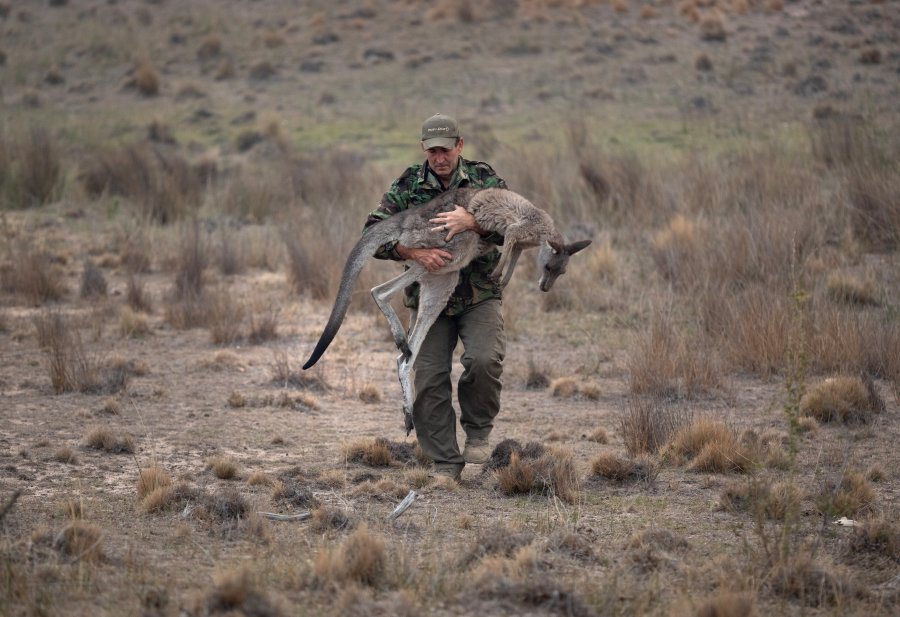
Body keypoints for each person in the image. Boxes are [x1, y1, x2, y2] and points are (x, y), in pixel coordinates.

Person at [364, 113, 507, 481]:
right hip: (429, 294)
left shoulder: (484, 179)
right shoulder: (408, 184)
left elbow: (513, 230)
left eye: (445, 149)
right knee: (428, 377)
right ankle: (445, 463)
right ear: (423, 150)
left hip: (478, 291)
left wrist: (472, 223)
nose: (439, 158)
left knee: (483, 361)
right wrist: (413, 254)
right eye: (432, 151)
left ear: (460, 145)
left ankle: (478, 434)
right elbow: (373, 235)